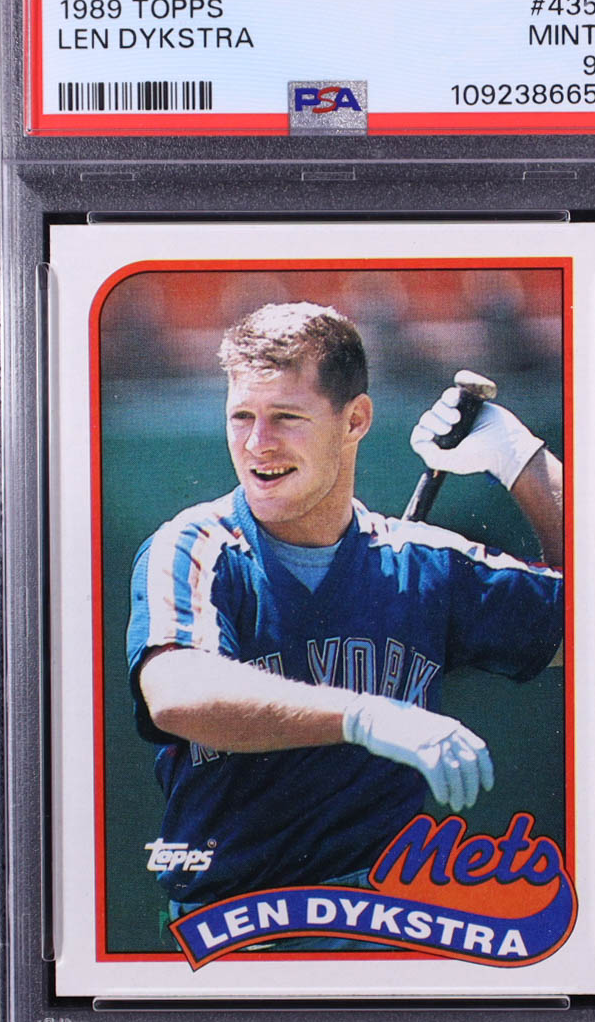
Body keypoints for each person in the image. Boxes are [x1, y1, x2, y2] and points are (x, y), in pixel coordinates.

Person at [127, 302, 563, 920]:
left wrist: (522, 461)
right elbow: (178, 693)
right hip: (238, 932)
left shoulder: (424, 562)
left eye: (286, 417)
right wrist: (364, 716)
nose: (257, 443)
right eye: (242, 416)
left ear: (354, 420)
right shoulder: (196, 544)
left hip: (392, 927)